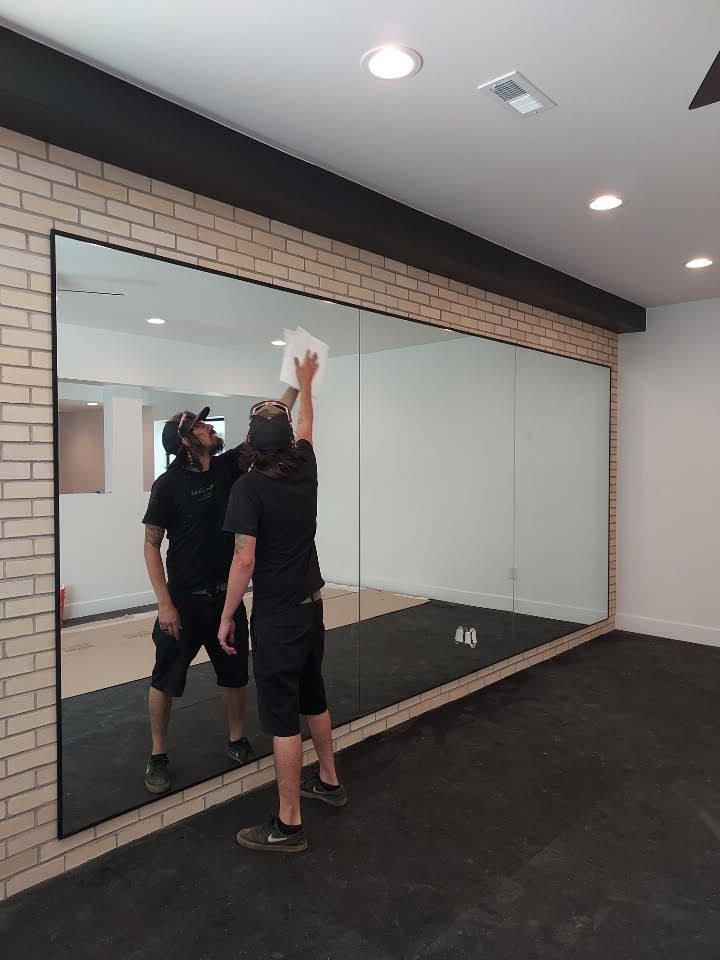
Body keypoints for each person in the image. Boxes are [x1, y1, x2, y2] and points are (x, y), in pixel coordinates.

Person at [219, 352, 346, 853]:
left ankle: (289, 824)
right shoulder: (305, 466)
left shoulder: (247, 488)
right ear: (289, 438)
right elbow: (308, 422)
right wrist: (306, 383)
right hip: (312, 608)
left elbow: (244, 560)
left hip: (277, 616)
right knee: (314, 696)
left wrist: (227, 615)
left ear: (251, 443)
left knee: (280, 718)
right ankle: (329, 780)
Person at [141, 393, 296, 794]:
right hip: (183, 603)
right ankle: (158, 754)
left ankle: (236, 738)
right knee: (165, 680)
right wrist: (164, 603)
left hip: (225, 599)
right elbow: (151, 545)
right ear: (186, 441)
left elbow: (268, 426)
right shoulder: (167, 486)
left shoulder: (228, 468)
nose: (209, 427)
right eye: (200, 425)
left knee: (234, 676)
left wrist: (292, 389)